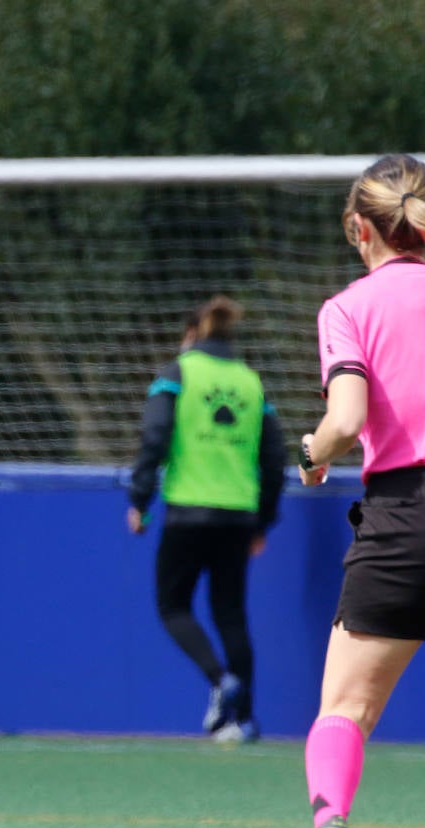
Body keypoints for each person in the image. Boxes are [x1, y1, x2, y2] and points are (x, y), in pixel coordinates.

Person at [270, 154, 425, 828]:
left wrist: (311, 453)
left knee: (344, 710)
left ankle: (329, 823)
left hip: (406, 515)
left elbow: (344, 421)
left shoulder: (348, 308)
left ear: (358, 228)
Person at [127, 295, 285, 744]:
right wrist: (262, 522)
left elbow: (155, 436)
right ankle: (244, 720)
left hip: (187, 511)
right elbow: (275, 458)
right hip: (238, 516)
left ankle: (220, 680)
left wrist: (140, 500)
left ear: (190, 333)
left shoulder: (177, 374)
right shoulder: (251, 382)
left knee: (173, 606)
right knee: (231, 614)